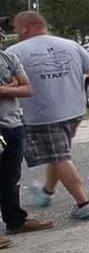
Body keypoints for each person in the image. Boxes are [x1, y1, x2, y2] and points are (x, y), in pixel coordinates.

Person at [9, 11, 89, 220]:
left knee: (59, 156)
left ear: (25, 28)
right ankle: (47, 192)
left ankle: (83, 203)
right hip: (74, 111)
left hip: (44, 114)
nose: (15, 32)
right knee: (57, 152)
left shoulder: (15, 52)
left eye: (15, 28)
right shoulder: (71, 45)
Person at [0, 40, 52, 238]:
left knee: (10, 176)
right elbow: (19, 85)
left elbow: (27, 89)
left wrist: (5, 89)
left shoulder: (9, 58)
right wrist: (12, 84)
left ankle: (15, 221)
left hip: (12, 125)